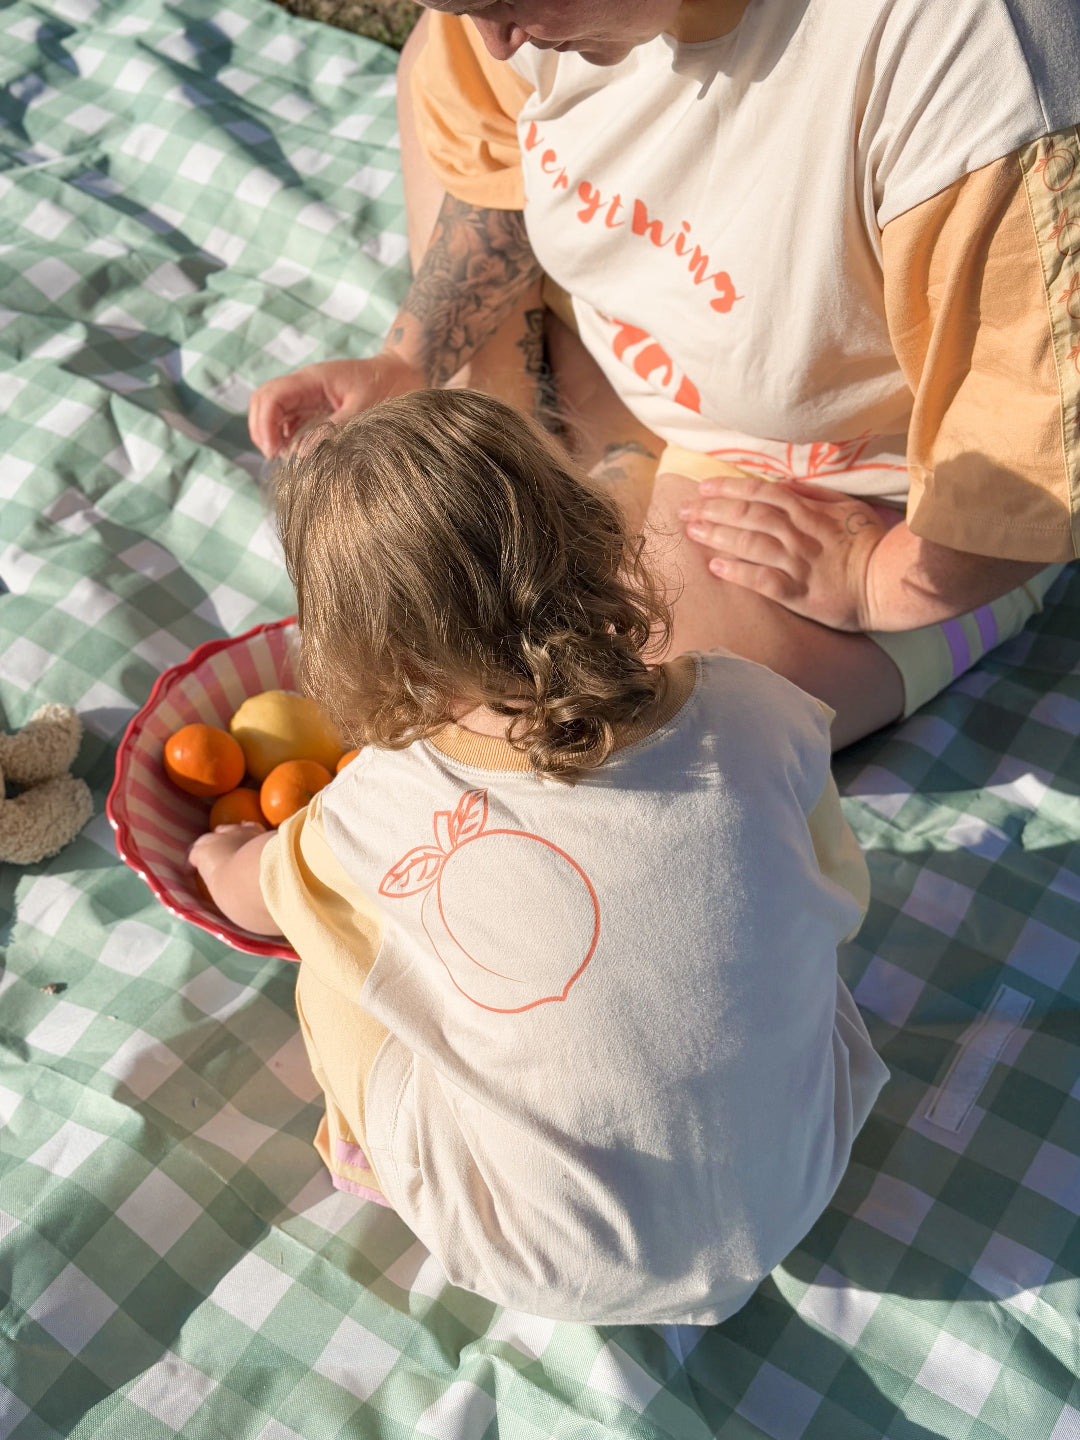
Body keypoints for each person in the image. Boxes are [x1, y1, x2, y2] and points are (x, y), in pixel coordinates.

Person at [192, 388, 888, 1324]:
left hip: (545, 1256)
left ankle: (378, 1156)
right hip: (802, 1167)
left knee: (331, 960)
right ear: (595, 538)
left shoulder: (368, 811)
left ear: (372, 656)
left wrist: (220, 853)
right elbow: (835, 883)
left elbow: (252, 897)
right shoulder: (754, 705)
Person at [248, 0, 1080, 749]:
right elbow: (496, 160)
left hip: (845, 477)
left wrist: (877, 581)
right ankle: (601, 446)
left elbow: (1027, 453)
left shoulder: (979, 78)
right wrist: (412, 355)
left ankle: (948, 615)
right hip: (624, 345)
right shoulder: (508, 27)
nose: (498, 42)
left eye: (507, 3)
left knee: (607, 725)